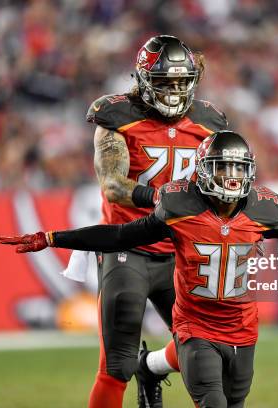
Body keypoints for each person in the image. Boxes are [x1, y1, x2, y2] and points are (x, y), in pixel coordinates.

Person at [0, 131, 278, 407]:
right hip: (195, 328)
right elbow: (120, 236)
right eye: (222, 168)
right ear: (205, 171)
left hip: (243, 328)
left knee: (234, 402)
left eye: (237, 169)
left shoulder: (262, 208)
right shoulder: (180, 206)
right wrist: (53, 237)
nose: (230, 178)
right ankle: (151, 366)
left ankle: (149, 367)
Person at [73, 35, 228, 407]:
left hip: (181, 251)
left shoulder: (208, 122)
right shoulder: (117, 116)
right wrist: (160, 197)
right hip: (129, 248)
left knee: (210, 350)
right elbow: (112, 186)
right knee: (116, 365)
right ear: (143, 79)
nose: (173, 91)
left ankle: (154, 366)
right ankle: (138, 367)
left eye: (180, 82)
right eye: (164, 82)